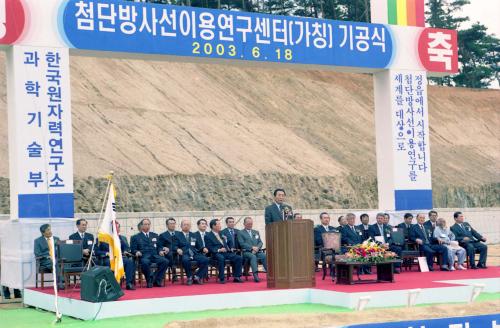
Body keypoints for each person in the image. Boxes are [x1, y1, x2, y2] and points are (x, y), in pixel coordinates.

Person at [96, 221, 137, 290]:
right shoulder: (102, 238)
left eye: (118, 227)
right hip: (108, 258)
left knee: (129, 262)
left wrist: (125, 251)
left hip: (119, 258)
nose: (117, 229)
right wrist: (106, 253)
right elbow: (97, 251)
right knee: (109, 263)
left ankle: (129, 283)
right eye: (115, 228)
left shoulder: (121, 238)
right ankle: (111, 284)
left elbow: (126, 248)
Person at [130, 218, 168, 288]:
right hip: (144, 256)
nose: (147, 226)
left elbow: (159, 246)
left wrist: (160, 250)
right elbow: (133, 249)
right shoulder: (135, 237)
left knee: (165, 261)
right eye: (145, 224)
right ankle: (149, 280)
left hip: (155, 255)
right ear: (141, 226)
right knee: (145, 263)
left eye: (148, 224)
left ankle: (156, 279)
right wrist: (137, 252)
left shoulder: (155, 235)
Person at [205, 218, 243, 284]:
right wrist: (219, 250)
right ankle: (221, 277)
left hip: (226, 252)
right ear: (213, 226)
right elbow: (209, 247)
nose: (220, 226)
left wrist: (230, 248)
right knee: (221, 258)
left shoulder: (222, 233)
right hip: (216, 253)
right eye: (219, 224)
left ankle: (237, 277)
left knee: (238, 258)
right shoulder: (208, 235)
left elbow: (228, 242)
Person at [176, 219, 208, 285]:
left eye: (188, 225)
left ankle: (197, 276)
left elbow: (199, 245)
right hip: (184, 253)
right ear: (181, 226)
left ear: (190, 226)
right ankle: (189, 277)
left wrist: (203, 248)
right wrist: (177, 249)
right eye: (184, 225)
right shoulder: (177, 235)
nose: (186, 226)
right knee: (185, 260)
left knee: (205, 259)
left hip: (194, 253)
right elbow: (174, 245)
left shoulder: (193, 235)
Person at [34, 224, 64, 289]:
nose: (50, 231)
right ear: (43, 232)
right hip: (45, 261)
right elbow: (37, 253)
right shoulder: (38, 241)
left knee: (61, 261)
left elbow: (61, 250)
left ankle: (61, 281)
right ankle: (61, 282)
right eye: (48, 230)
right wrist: (47, 256)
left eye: (50, 229)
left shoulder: (56, 239)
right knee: (54, 262)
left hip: (56, 259)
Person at [237, 217, 267, 282]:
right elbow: (242, 244)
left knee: (264, 256)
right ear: (244, 224)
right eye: (248, 224)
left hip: (257, 251)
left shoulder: (256, 232)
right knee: (253, 257)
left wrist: (257, 248)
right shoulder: (240, 233)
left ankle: (269, 273)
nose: (250, 225)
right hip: (246, 252)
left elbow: (260, 242)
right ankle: (255, 274)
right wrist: (252, 248)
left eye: (251, 223)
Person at [158, 217, 179, 282]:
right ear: (167, 225)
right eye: (171, 224)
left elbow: (183, 243)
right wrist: (163, 248)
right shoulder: (163, 235)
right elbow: (159, 245)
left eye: (174, 223)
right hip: (168, 253)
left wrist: (179, 249)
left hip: (179, 252)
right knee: (170, 254)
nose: (173, 225)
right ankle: (174, 271)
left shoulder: (179, 234)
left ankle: (174, 269)